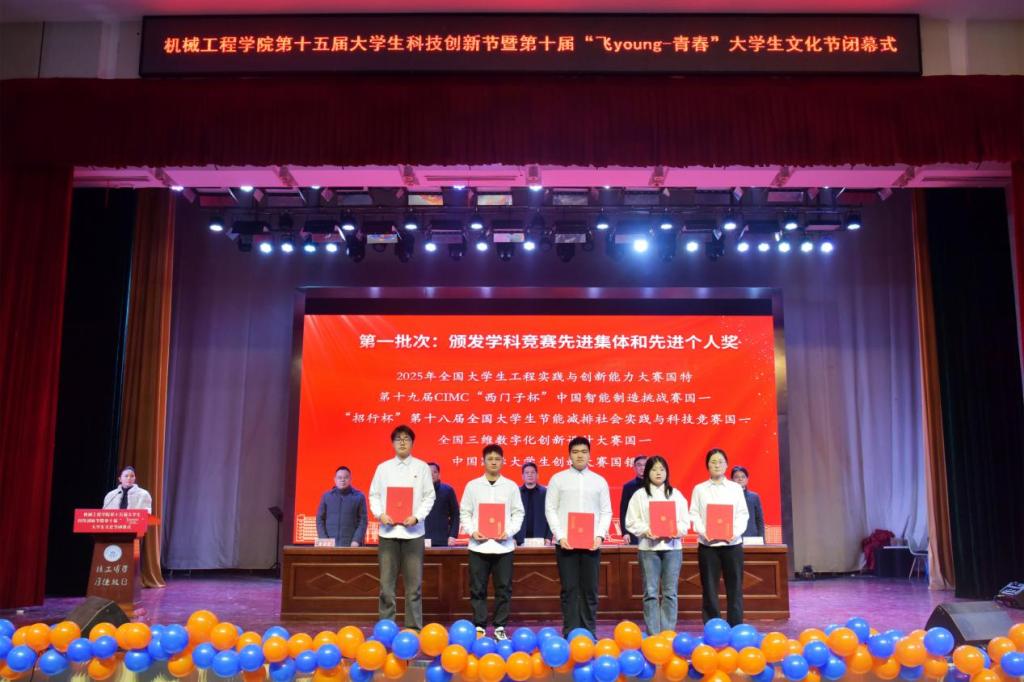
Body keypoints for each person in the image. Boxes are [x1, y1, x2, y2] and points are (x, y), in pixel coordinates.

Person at [368, 425, 436, 631]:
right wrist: (380, 515)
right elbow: (374, 496)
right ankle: (386, 627)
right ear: (392, 443)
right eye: (398, 439)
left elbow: (429, 496)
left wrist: (417, 517)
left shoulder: (422, 467)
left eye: (406, 438)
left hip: (414, 534)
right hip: (388, 533)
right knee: (386, 586)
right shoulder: (383, 468)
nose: (402, 442)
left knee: (414, 587)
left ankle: (413, 628)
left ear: (412, 443)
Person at [545, 436, 612, 637]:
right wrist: (560, 535)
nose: (580, 455)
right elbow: (550, 509)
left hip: (592, 544)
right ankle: (570, 631)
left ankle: (589, 631)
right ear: (569, 455)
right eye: (575, 452)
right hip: (566, 543)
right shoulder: (558, 479)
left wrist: (599, 536)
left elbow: (606, 511)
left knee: (590, 590)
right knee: (569, 589)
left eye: (583, 452)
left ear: (590, 455)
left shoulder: (599, 481)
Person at [459, 444, 525, 641]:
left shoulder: (511, 486)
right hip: (478, 546)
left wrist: (509, 532)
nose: (494, 462)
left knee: (503, 589)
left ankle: (499, 627)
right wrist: (472, 531)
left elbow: (518, 513)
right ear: (483, 461)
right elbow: (465, 512)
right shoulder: (472, 486)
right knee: (477, 588)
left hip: (503, 547)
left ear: (503, 461)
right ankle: (479, 626)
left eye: (497, 459)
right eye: (490, 459)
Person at [625, 456, 689, 635]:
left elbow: (685, 522)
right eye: (654, 469)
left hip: (672, 549)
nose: (658, 473)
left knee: (670, 593)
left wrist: (676, 531)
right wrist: (646, 530)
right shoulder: (639, 495)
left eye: (662, 469)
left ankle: (668, 633)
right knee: (651, 593)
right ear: (647, 473)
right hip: (648, 549)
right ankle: (653, 634)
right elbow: (631, 521)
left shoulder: (676, 495)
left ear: (667, 472)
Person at [689, 448, 749, 626]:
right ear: (707, 465)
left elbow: (742, 514)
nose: (717, 465)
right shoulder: (699, 489)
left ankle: (735, 625)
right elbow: (694, 514)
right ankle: (713, 625)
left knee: (735, 588)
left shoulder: (735, 488)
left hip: (733, 545)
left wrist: (734, 533)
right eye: (713, 462)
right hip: (708, 546)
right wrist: (704, 532)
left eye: (720, 462)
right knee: (709, 588)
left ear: (726, 465)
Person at [316, 466, 368, 546]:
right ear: (335, 479)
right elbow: (320, 519)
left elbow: (363, 521)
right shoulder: (326, 497)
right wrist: (324, 539)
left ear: (350, 479)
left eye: (346, 477)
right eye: (339, 478)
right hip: (329, 545)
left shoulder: (359, 497)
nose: (342, 480)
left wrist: (356, 540)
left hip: (352, 545)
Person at [424, 462, 460, 547]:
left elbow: (455, 514)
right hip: (421, 539)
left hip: (442, 539)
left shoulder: (447, 490)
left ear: (439, 474)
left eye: (434, 472)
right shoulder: (418, 491)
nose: (432, 475)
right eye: (428, 472)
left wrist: (452, 535)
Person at [514, 461, 550, 545]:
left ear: (537, 475)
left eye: (532, 472)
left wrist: (548, 537)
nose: (530, 475)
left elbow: (550, 515)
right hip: (519, 538)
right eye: (527, 473)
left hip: (540, 539)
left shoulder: (545, 493)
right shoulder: (516, 493)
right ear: (522, 476)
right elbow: (511, 515)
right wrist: (512, 537)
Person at [730, 465, 765, 539]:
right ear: (731, 480)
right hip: (733, 538)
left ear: (747, 479)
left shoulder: (754, 497)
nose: (740, 479)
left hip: (751, 537)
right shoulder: (727, 497)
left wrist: (762, 539)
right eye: (736, 477)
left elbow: (759, 520)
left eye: (743, 477)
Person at [619, 455, 647, 544]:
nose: (642, 467)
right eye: (639, 465)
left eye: (645, 465)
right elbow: (623, 510)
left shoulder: (655, 485)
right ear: (634, 467)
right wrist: (624, 532)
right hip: (634, 530)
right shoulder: (628, 486)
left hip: (652, 530)